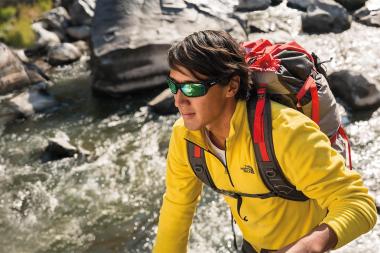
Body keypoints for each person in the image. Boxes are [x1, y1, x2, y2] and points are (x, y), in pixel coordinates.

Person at [153, 30, 377, 253]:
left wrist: (310, 246)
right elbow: (178, 207)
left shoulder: (286, 132)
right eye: (174, 86)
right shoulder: (184, 137)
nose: (179, 101)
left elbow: (358, 203)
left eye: (192, 88)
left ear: (231, 86)